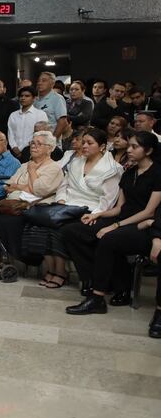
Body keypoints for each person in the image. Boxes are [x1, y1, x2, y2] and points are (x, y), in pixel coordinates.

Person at [63, 131, 161, 306]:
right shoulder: (129, 173)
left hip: (142, 225)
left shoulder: (157, 173)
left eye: (134, 146)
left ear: (148, 150)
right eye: (129, 145)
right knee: (73, 231)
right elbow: (119, 208)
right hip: (123, 219)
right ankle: (96, 278)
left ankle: (99, 296)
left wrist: (114, 225)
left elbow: (149, 212)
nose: (129, 150)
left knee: (108, 238)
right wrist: (97, 214)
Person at [44, 129, 123, 289]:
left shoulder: (112, 168)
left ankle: (86, 277)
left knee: (69, 230)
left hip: (95, 211)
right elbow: (64, 185)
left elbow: (108, 201)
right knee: (45, 223)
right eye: (83, 142)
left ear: (102, 146)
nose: (84, 146)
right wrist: (61, 201)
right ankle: (55, 270)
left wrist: (93, 215)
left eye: (90, 143)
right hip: (68, 206)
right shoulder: (76, 162)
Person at [0, 131, 64, 280]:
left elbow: (40, 190)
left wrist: (31, 173)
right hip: (12, 203)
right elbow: (7, 186)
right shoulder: (24, 165)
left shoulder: (54, 168)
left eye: (39, 144)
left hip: (31, 207)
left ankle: (10, 261)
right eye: (32, 143)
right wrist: (26, 186)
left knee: (8, 221)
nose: (34, 146)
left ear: (50, 148)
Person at [8, 86, 48, 161]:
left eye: (27, 96)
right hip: (13, 152)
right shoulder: (13, 115)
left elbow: (41, 134)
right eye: (21, 96)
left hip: (32, 150)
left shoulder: (40, 114)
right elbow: (10, 134)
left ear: (34, 98)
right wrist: (14, 147)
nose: (23, 98)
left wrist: (24, 149)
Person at [34, 72, 69, 140]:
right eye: (38, 81)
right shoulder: (34, 100)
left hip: (50, 142)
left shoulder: (57, 98)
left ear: (52, 84)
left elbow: (62, 122)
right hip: (36, 140)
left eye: (44, 80)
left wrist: (53, 140)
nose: (39, 83)